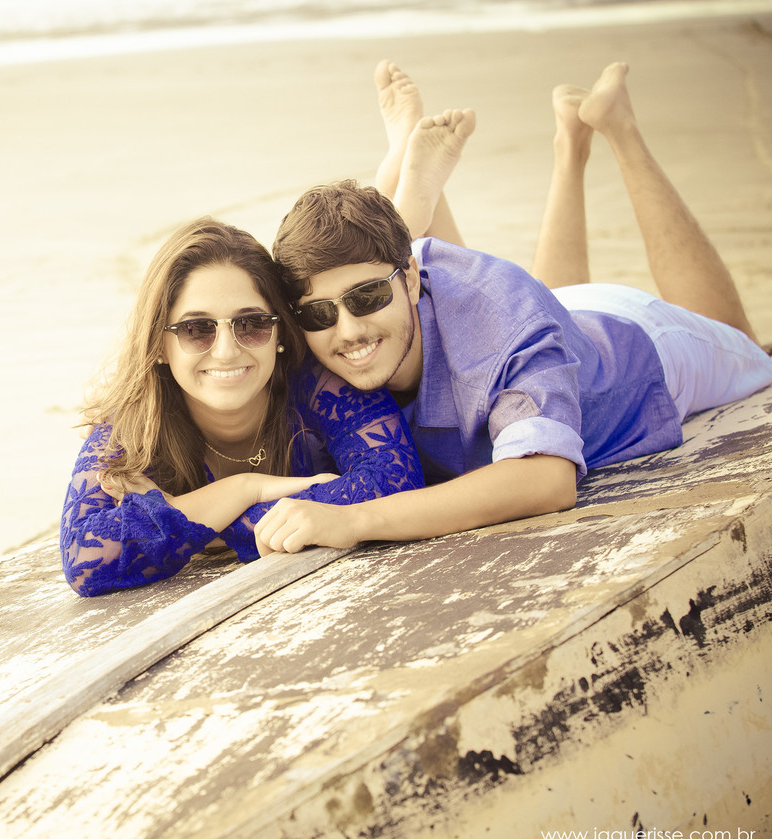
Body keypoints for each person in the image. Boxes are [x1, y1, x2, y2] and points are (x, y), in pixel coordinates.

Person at [256, 61, 772, 555]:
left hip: (643, 346)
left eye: (366, 297)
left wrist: (354, 520)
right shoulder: (414, 304)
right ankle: (570, 144)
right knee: (524, 300)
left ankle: (620, 128)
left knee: (748, 346)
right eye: (319, 314)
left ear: (411, 279)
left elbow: (547, 480)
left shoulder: (501, 321)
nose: (345, 329)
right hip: (551, 316)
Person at [60, 218, 423, 597]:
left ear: (280, 332)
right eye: (196, 329)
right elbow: (85, 560)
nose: (227, 350)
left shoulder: (320, 384)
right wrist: (245, 489)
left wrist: (180, 519)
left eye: (251, 324)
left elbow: (394, 485)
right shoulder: (135, 419)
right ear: (159, 344)